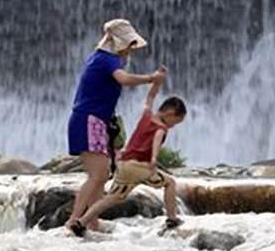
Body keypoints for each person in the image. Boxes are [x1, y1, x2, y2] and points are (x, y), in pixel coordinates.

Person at [66, 18, 166, 232]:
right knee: (98, 175)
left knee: (100, 176)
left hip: (94, 120)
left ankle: (91, 222)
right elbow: (123, 79)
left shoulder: (100, 59)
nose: (129, 51)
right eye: (128, 45)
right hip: (89, 120)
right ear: (117, 42)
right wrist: (151, 78)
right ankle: (74, 221)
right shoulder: (106, 60)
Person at [68, 78, 187, 237]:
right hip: (140, 167)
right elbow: (157, 140)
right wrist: (153, 159)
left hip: (124, 165)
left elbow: (150, 97)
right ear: (170, 113)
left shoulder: (147, 115)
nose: (173, 126)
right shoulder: (161, 128)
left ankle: (81, 222)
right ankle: (172, 218)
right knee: (170, 183)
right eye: (176, 122)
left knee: (111, 198)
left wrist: (156, 84)